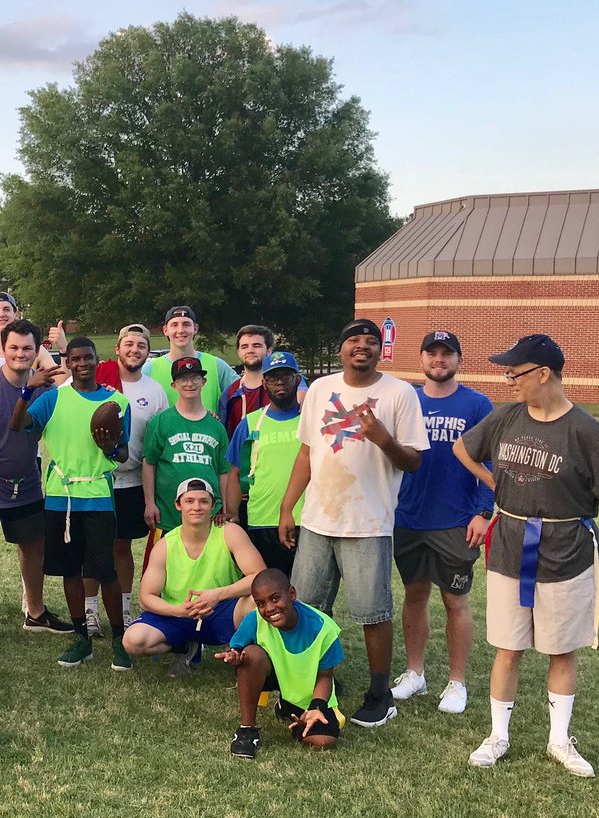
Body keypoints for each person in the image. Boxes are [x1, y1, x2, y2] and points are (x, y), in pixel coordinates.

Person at [456, 334, 599, 777]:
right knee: (509, 647)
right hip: (508, 547)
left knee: (561, 650)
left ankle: (559, 740)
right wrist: (495, 488)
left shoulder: (586, 431)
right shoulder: (505, 419)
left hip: (566, 552)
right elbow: (462, 449)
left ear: (543, 374)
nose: (509, 381)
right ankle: (498, 736)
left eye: (515, 373)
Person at [278, 318, 429, 728]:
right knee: (306, 607)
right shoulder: (321, 389)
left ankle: (381, 693)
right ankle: (310, 687)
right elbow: (307, 453)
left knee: (372, 612)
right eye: (353, 341)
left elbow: (413, 461)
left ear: (381, 350)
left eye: (371, 341)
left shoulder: (399, 394)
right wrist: (288, 508)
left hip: (368, 522)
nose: (362, 347)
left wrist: (382, 437)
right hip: (317, 520)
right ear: (341, 348)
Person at [11, 337, 132, 670]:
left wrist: (109, 449)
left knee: (105, 571)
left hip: (97, 496)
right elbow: (17, 425)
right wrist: (26, 390)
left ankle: (119, 640)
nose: (82, 363)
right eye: (75, 358)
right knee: (70, 571)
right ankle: (82, 638)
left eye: (88, 358)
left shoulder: (117, 401)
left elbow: (122, 454)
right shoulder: (53, 398)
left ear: (97, 360)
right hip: (62, 497)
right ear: (67, 360)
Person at [390, 331, 494, 715]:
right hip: (409, 517)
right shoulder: (407, 400)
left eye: (446, 353)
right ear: (421, 360)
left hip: (456, 520)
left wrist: (484, 512)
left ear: (458, 360)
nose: (439, 359)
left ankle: (457, 682)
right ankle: (414, 673)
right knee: (414, 595)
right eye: (431, 353)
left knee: (455, 599)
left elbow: (491, 462)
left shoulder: (477, 404)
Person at [0, 318, 72, 633]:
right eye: (14, 348)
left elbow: (75, 388)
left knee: (34, 546)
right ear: (3, 349)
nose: (20, 354)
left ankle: (35, 613)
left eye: (27, 348)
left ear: (37, 352)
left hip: (26, 481)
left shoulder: (45, 388)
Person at [123, 478, 263, 677]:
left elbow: (259, 577)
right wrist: (177, 611)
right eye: (189, 501)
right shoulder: (165, 544)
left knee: (257, 604)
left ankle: (240, 649)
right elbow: (146, 597)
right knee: (133, 641)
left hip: (221, 608)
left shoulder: (230, 532)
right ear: (178, 505)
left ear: (213, 506)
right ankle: (184, 647)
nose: (197, 507)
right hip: (179, 611)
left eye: (204, 501)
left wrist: (217, 595)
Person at [83, 323, 169, 633]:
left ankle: (124, 608)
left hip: (130, 481)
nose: (135, 350)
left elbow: (158, 440)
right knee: (92, 547)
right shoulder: (96, 381)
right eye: (129, 344)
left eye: (141, 346)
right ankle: (90, 610)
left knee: (121, 548)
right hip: (95, 479)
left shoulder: (154, 390)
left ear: (149, 352)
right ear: (117, 349)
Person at [214, 568, 345, 759]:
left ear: (292, 594)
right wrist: (233, 657)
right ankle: (247, 731)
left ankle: (289, 707)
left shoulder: (323, 628)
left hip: (305, 689)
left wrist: (316, 708)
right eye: (260, 603)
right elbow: (236, 649)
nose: (269, 609)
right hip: (271, 674)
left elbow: (325, 676)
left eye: (275, 599)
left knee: (323, 741)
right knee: (251, 654)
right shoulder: (255, 619)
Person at [141, 356, 230, 568]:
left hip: (207, 515)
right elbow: (149, 463)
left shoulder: (216, 426)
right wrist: (149, 503)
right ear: (174, 385)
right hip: (168, 515)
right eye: (183, 379)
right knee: (162, 568)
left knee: (204, 569)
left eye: (194, 378)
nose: (189, 384)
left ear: (203, 382)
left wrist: (225, 506)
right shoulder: (162, 421)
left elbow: (223, 470)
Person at [224, 351, 305, 576]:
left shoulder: (309, 419)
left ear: (297, 379)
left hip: (306, 520)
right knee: (265, 587)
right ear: (264, 383)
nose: (280, 382)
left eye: (286, 376)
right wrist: (232, 514)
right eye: (272, 377)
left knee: (302, 591)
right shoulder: (250, 423)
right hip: (262, 520)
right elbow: (235, 471)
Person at [142, 305, 238, 411]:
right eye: (174, 325)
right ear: (165, 330)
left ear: (195, 328)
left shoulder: (217, 366)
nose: (181, 330)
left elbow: (245, 393)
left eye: (186, 324)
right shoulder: (149, 369)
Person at [219, 325, 308, 438]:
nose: (250, 350)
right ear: (238, 352)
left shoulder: (287, 386)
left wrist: (304, 394)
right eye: (244, 346)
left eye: (256, 345)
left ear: (269, 350)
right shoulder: (229, 393)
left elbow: (301, 387)